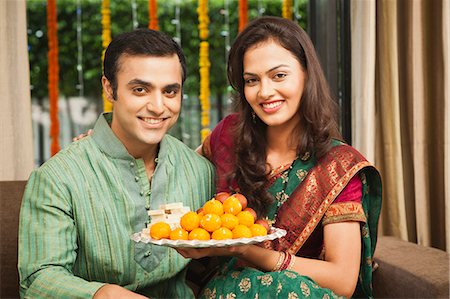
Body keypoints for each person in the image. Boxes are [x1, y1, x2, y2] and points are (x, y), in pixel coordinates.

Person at [177, 16, 382, 298]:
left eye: (279, 75)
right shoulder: (228, 136)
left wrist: (252, 254)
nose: (265, 92)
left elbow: (343, 280)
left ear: (306, 74)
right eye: (252, 80)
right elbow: (173, 166)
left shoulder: (338, 166)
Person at [18, 28, 216, 298]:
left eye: (170, 92)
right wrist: (104, 294)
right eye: (140, 89)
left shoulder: (200, 172)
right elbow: (38, 279)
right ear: (109, 88)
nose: (158, 106)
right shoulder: (57, 178)